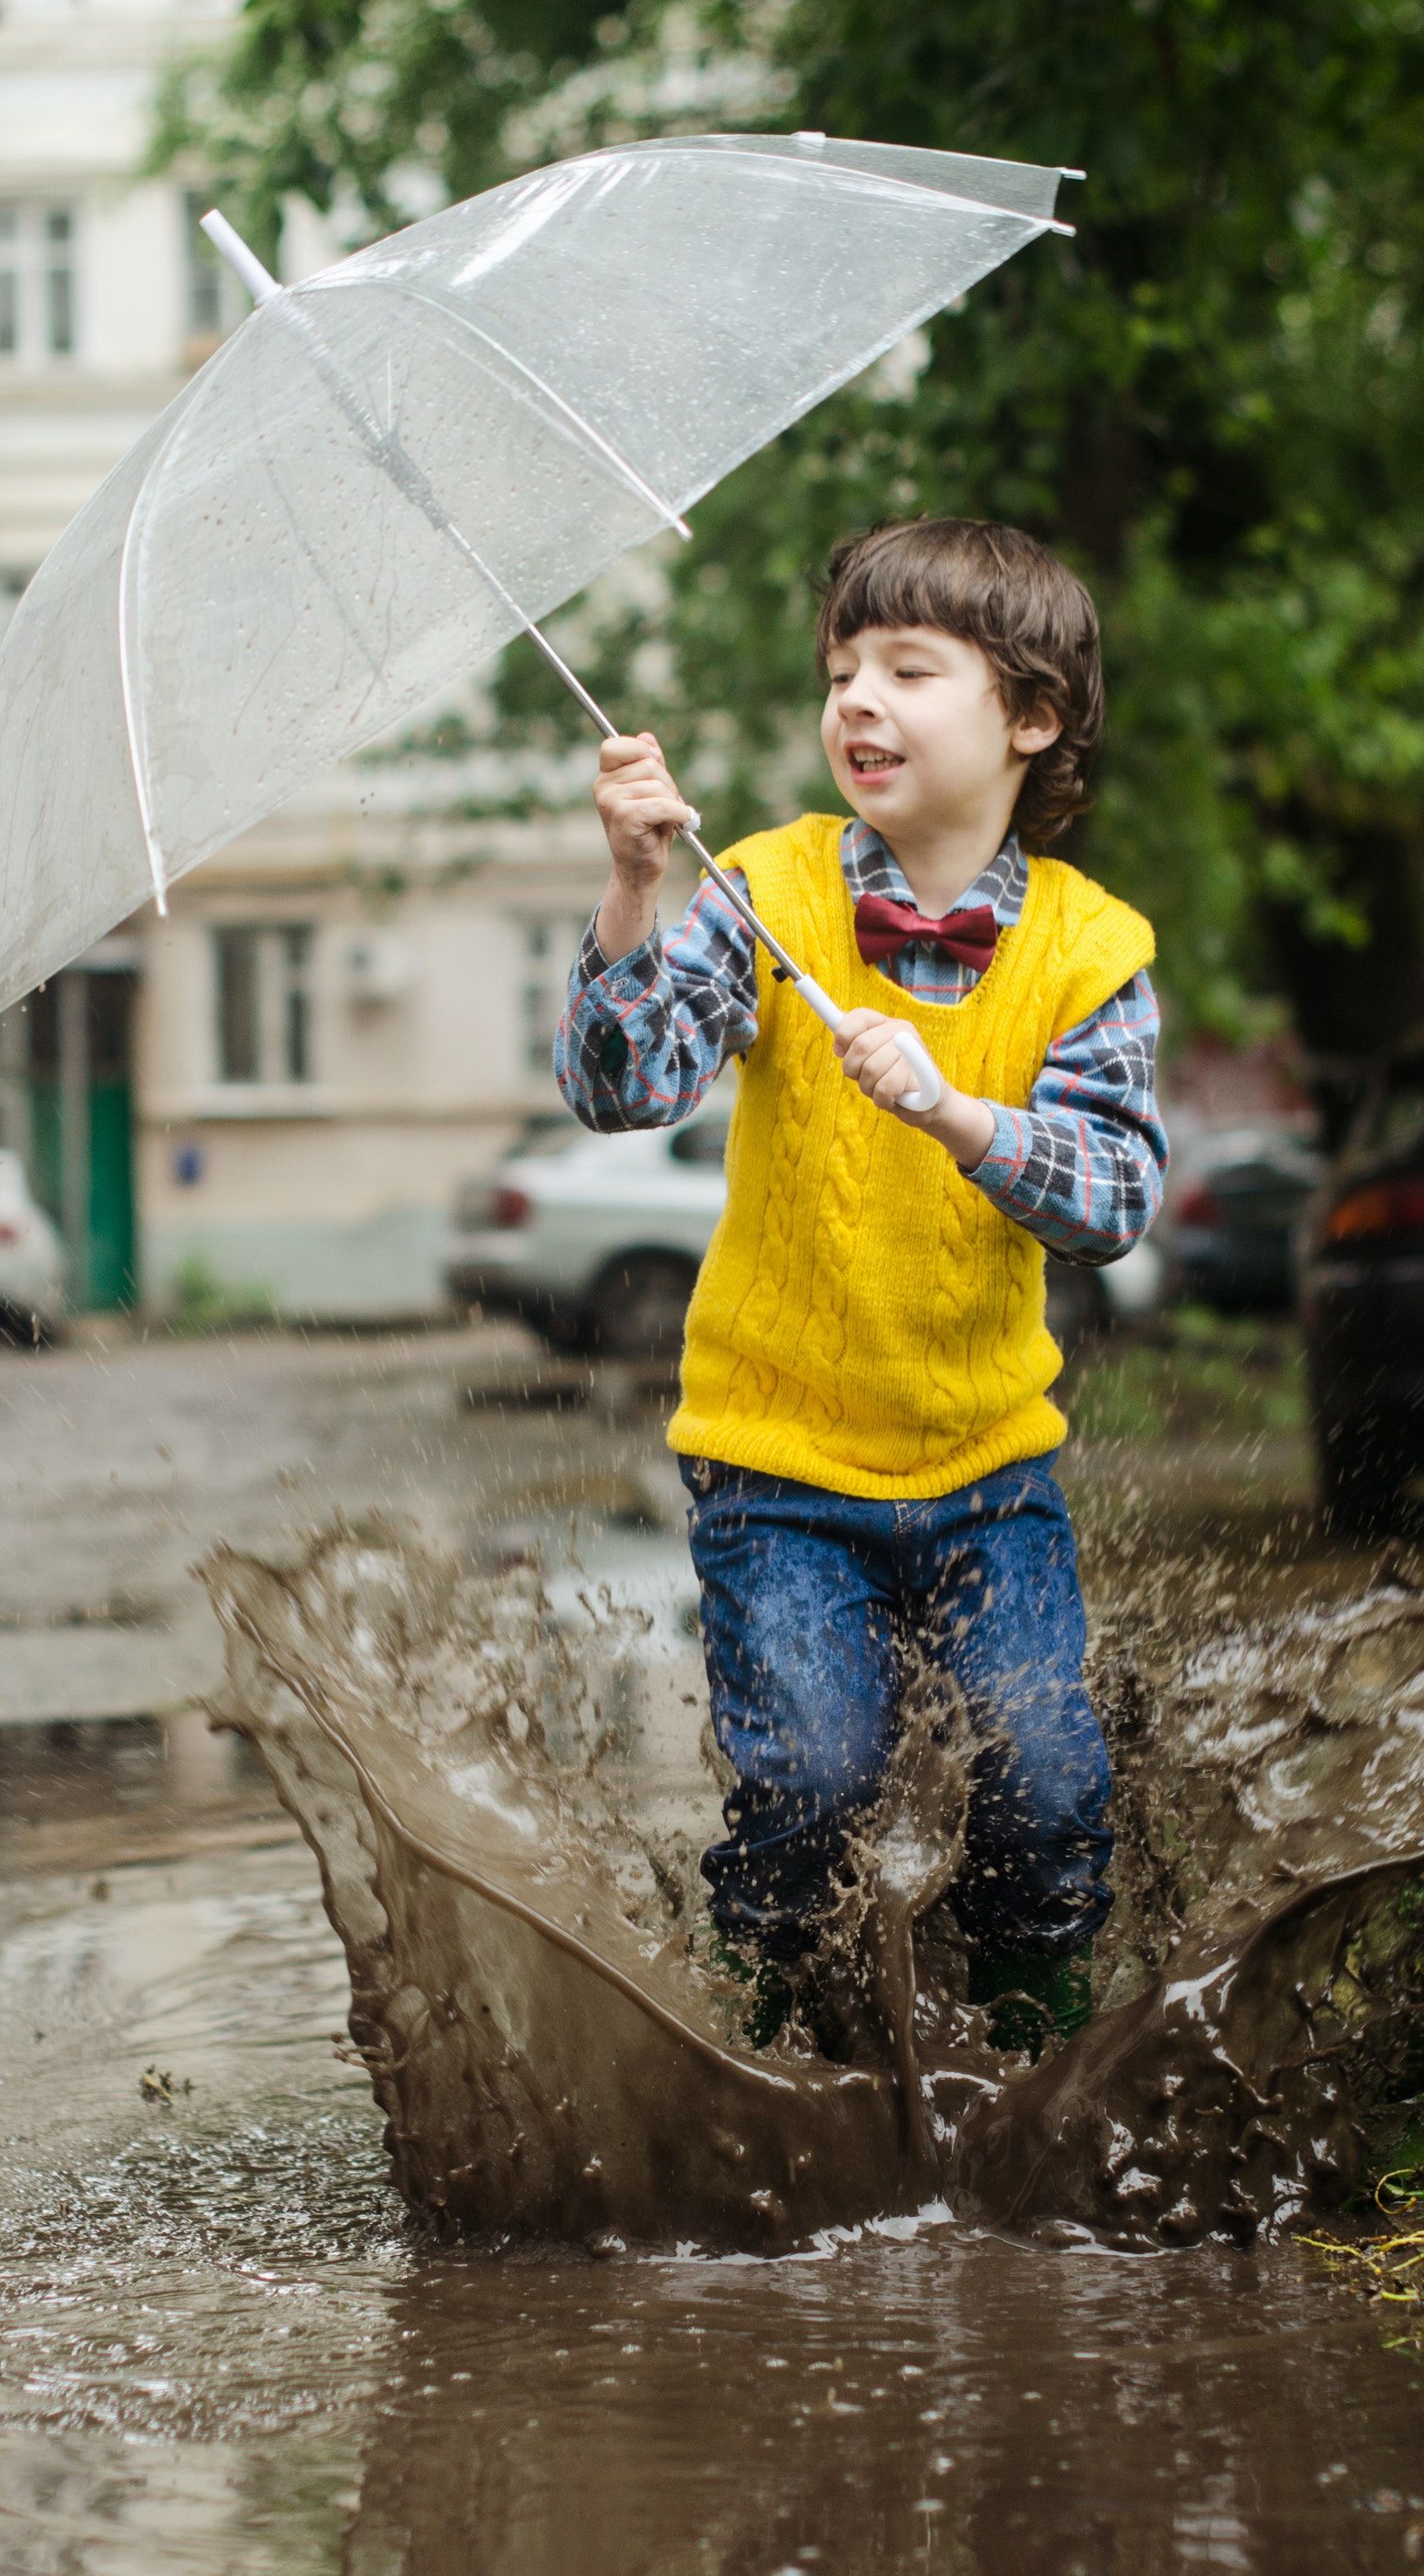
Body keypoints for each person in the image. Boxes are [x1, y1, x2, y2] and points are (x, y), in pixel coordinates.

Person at [553, 516, 1165, 2054]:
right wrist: (634, 891)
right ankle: (771, 2059)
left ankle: (1041, 2067)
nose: (857, 704)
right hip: (776, 1462)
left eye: (908, 669)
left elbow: (1114, 1204)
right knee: (812, 1783)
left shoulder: (1092, 950)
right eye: (841, 673)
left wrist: (956, 1113)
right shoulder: (765, 891)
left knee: (1046, 1782)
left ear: (1030, 719)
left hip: (986, 1463)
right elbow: (623, 1088)